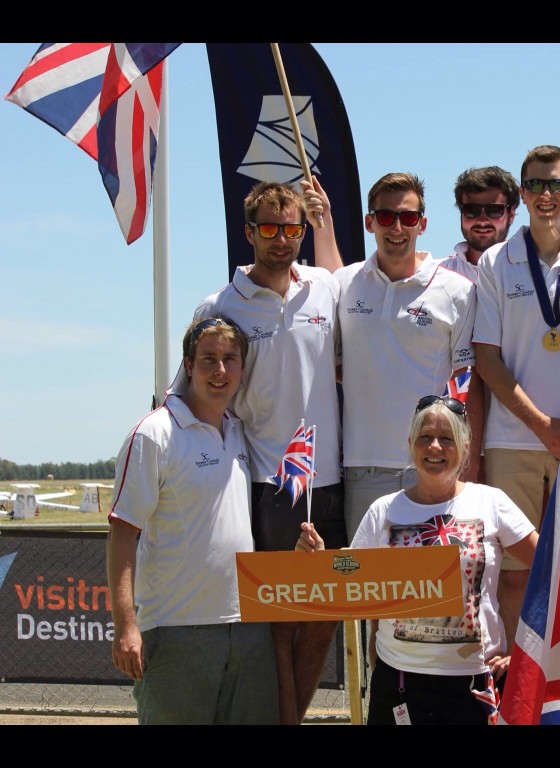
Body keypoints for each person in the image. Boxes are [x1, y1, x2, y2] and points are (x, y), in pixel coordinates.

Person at [183, 181, 345, 725]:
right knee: (280, 618)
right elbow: (187, 391)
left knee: (324, 616)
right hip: (267, 484)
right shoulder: (220, 305)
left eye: (292, 228)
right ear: (249, 232)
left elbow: (347, 283)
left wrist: (326, 223)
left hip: (330, 480)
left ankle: (287, 719)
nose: (282, 239)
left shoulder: (323, 288)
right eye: (270, 228)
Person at [296, 395, 538, 725]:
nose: (435, 447)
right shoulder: (383, 511)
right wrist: (319, 562)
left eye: (446, 438)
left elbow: (549, 568)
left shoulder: (491, 502)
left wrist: (524, 653)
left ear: (465, 447)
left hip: (474, 688)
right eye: (425, 437)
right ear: (411, 443)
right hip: (399, 687)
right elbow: (349, 583)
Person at [473, 144, 560, 647]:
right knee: (515, 575)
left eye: (556, 184)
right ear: (523, 194)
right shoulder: (496, 261)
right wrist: (543, 426)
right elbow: (486, 358)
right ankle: (518, 680)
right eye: (535, 185)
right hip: (513, 440)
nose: (546, 195)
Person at [107, 317, 278, 725]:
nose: (220, 370)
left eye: (229, 359)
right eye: (208, 359)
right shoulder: (154, 435)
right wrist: (125, 626)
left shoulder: (240, 432)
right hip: (176, 631)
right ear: (188, 365)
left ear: (242, 368)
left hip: (248, 628)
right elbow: (122, 534)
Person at [331, 172, 477, 539]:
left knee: (433, 575)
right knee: (365, 574)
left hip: (432, 464)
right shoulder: (343, 284)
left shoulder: (458, 291)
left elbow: (469, 381)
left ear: (422, 225)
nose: (397, 227)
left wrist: (467, 460)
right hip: (362, 466)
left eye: (408, 217)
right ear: (370, 222)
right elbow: (333, 364)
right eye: (386, 216)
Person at [437, 166, 521, 482]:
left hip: (515, 436)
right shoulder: (436, 276)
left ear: (512, 213)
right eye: (471, 210)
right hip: (453, 439)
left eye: (494, 210)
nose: (482, 219)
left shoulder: (532, 273)